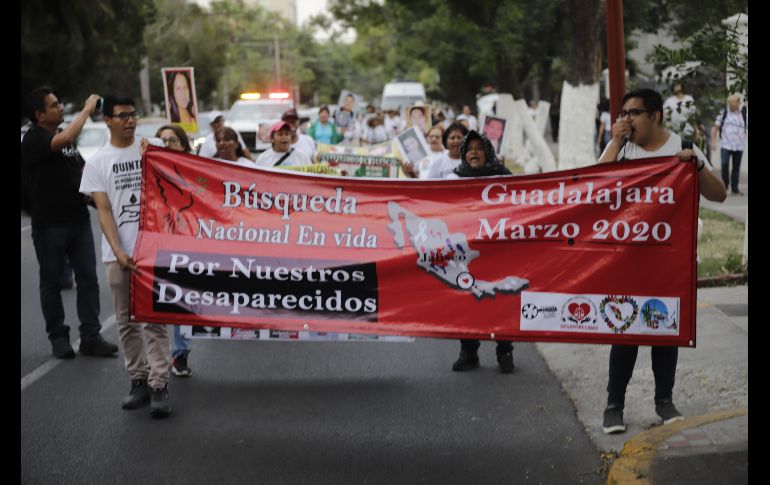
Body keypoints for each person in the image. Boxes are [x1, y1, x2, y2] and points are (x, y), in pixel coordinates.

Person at [598, 88, 726, 434]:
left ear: (655, 116)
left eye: (633, 113)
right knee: (624, 332)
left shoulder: (682, 146)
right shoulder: (623, 150)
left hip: (669, 261)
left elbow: (719, 193)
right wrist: (614, 143)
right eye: (623, 114)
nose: (626, 120)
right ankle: (614, 405)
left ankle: (664, 400)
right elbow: (594, 188)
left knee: (664, 329)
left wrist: (696, 165)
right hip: (627, 258)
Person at [79, 93, 173, 417]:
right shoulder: (97, 161)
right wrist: (118, 251)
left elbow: (177, 177)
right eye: (123, 116)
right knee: (126, 322)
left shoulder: (150, 148)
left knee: (155, 321)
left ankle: (160, 384)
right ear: (108, 121)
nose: (130, 121)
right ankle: (138, 381)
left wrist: (162, 155)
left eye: (133, 115)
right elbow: (103, 210)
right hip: (117, 254)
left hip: (153, 252)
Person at [21, 87, 118, 359]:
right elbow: (64, 139)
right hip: (49, 225)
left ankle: (90, 336)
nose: (61, 108)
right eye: (54, 106)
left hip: (78, 222)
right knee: (51, 282)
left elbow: (82, 177)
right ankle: (58, 338)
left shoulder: (66, 143)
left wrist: (101, 202)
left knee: (88, 279)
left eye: (60, 103)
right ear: (39, 115)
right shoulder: (34, 139)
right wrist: (87, 110)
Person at [445, 130, 515, 373]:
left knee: (500, 299)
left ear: (488, 151)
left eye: (479, 148)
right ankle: (469, 352)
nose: (474, 152)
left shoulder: (504, 177)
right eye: (469, 149)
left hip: (498, 251)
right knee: (467, 300)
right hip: (465, 252)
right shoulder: (452, 179)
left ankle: (504, 351)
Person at [154, 124, 195, 377]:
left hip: (187, 245)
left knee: (181, 299)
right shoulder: (147, 170)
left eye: (172, 140)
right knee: (154, 303)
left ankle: (180, 355)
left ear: (183, 145)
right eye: (162, 141)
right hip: (155, 243)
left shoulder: (196, 171)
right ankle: (155, 359)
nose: (167, 144)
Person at [710, 94, 747, 196]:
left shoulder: (743, 114)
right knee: (724, 164)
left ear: (739, 103)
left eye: (733, 102)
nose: (731, 104)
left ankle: (735, 188)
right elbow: (715, 128)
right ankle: (725, 185)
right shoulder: (723, 113)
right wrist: (713, 141)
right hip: (726, 144)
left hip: (739, 145)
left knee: (736, 167)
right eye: (730, 102)